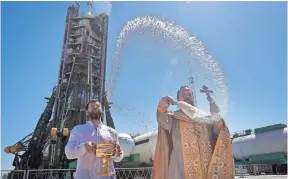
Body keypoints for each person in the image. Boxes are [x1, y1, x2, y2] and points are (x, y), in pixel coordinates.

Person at [152, 86, 234, 179]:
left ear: (193, 97)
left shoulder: (205, 117)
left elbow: (217, 134)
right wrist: (162, 107)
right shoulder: (173, 117)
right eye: (183, 94)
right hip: (180, 170)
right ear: (178, 98)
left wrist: (215, 113)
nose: (187, 96)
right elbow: (162, 122)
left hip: (206, 170)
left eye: (189, 94)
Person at [65, 99, 123, 179]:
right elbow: (68, 153)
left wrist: (118, 154)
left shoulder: (112, 132)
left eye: (98, 106)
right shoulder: (78, 130)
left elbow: (118, 158)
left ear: (101, 110)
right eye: (92, 106)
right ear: (87, 112)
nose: (95, 107)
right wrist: (84, 147)